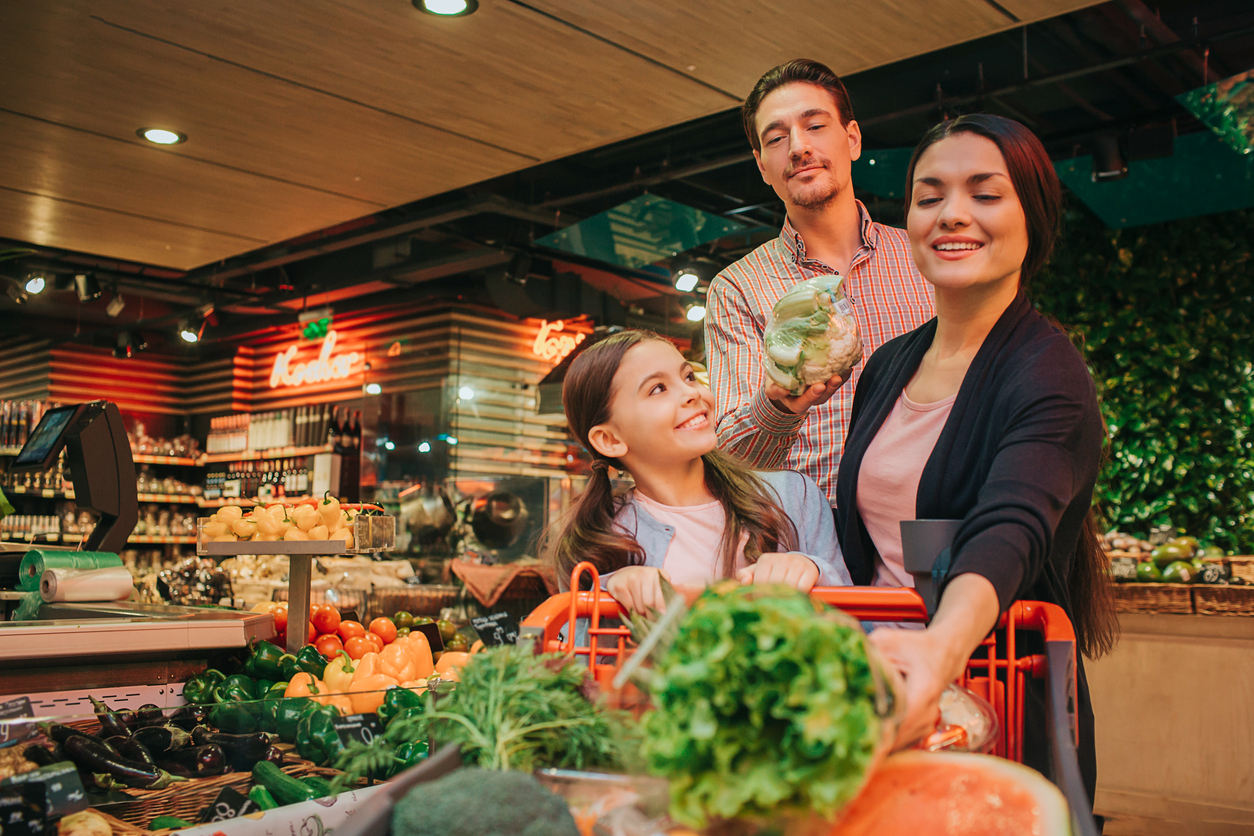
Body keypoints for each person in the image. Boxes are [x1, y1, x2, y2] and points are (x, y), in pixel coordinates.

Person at [833, 113, 1118, 805]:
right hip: (877, 694)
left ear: (1035, 217)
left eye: (985, 194)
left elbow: (1009, 527)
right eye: (930, 196)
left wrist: (938, 648)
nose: (952, 214)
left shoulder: (1047, 374)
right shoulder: (888, 363)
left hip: (991, 700)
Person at [706, 59, 935, 509]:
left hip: (926, 518)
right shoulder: (737, 288)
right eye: (776, 138)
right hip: (806, 535)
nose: (797, 147)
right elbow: (731, 459)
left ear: (852, 139)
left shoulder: (923, 259)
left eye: (814, 126)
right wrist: (779, 402)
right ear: (762, 166)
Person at [545, 329, 850, 614]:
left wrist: (813, 571)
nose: (693, 393)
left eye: (689, 376)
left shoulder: (794, 496)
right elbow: (584, 663)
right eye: (658, 389)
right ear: (610, 440)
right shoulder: (597, 541)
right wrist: (613, 595)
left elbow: (859, 627)